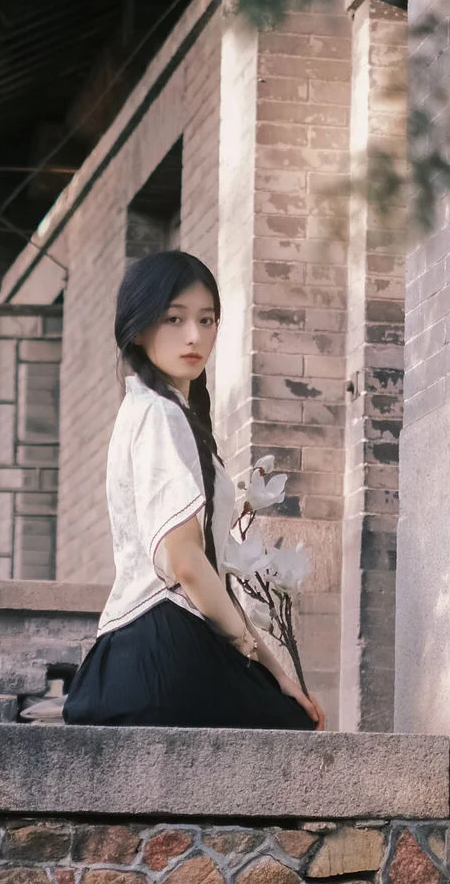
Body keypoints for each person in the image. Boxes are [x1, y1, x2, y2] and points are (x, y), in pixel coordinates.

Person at [63, 249, 324, 731]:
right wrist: (248, 653)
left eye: (206, 320)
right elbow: (185, 560)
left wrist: (275, 672)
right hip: (163, 644)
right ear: (137, 329)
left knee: (291, 718)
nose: (194, 336)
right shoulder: (159, 414)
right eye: (174, 318)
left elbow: (206, 570)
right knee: (293, 731)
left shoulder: (154, 411)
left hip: (135, 650)